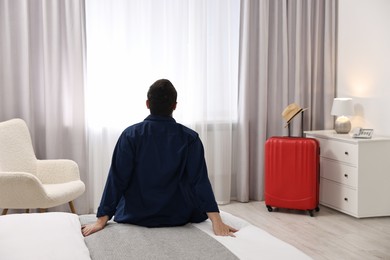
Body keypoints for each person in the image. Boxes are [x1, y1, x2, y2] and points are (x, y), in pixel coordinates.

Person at [82, 79, 237, 237]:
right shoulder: (190, 138)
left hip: (136, 214)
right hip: (178, 215)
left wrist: (101, 219)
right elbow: (199, 180)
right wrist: (217, 221)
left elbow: (117, 178)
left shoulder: (130, 135)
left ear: (147, 104)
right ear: (174, 106)